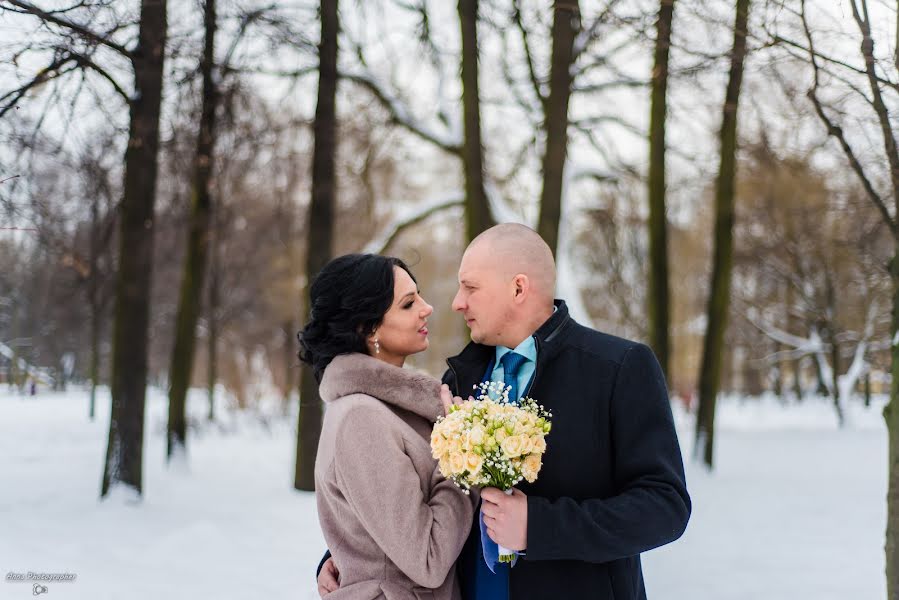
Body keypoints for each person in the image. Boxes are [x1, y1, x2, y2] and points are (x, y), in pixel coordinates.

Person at [318, 224, 690, 600]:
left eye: (471, 288)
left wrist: (540, 526)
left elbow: (665, 506)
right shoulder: (458, 382)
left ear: (517, 288)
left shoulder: (618, 368)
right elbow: (411, 501)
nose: (456, 302)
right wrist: (346, 555)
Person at [300, 253, 475, 600]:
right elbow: (427, 559)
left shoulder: (390, 408)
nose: (427, 308)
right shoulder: (360, 419)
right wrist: (460, 455)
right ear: (368, 328)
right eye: (408, 304)